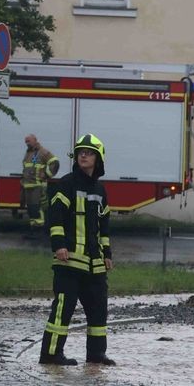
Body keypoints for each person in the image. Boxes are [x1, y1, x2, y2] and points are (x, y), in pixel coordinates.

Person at [39, 134, 114, 365]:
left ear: (98, 158)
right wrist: (59, 245)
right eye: (81, 151)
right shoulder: (67, 183)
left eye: (89, 152)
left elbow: (104, 226)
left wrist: (107, 254)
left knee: (99, 309)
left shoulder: (100, 190)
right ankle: (51, 354)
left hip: (94, 264)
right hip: (69, 261)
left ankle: (96, 354)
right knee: (63, 309)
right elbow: (56, 217)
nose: (84, 155)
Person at [20, 134, 60, 233]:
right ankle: (33, 229)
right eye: (26, 141)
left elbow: (55, 163)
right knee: (31, 209)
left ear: (35, 140)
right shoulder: (28, 153)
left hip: (37, 185)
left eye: (28, 141)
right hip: (28, 185)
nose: (27, 143)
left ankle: (39, 230)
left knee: (37, 208)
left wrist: (47, 174)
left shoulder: (42, 152)